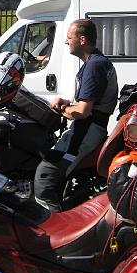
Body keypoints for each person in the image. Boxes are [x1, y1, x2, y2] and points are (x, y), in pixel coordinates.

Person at [33, 19, 118, 211]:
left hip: (86, 131)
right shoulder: (95, 63)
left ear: (82, 39)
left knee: (45, 177)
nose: (65, 41)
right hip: (89, 129)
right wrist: (68, 103)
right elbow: (85, 104)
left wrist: (62, 109)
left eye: (69, 38)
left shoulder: (94, 66)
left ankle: (52, 232)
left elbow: (82, 111)